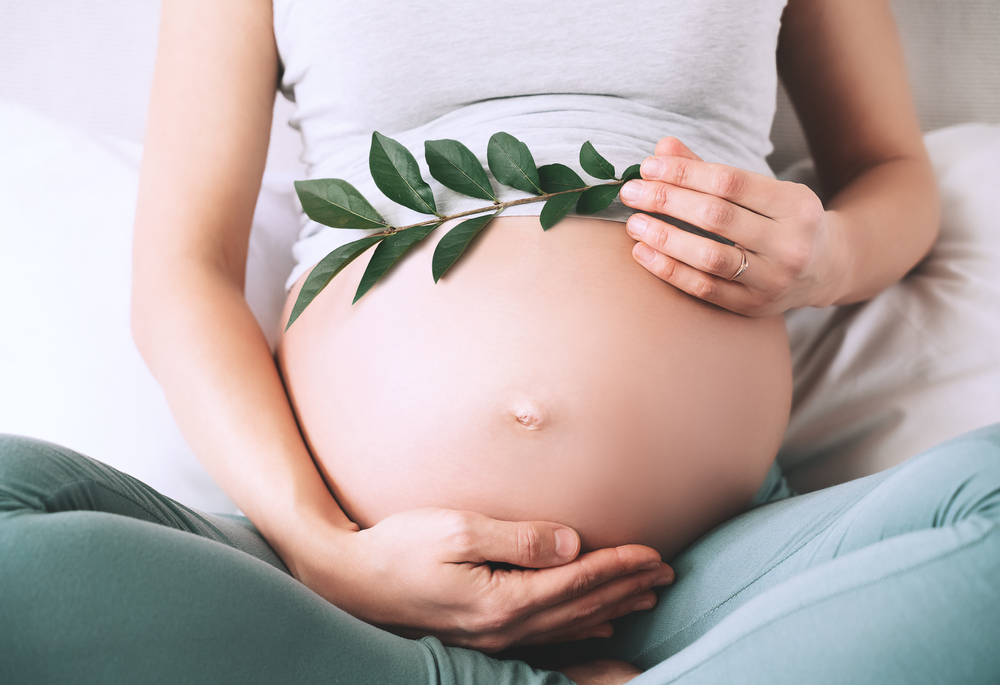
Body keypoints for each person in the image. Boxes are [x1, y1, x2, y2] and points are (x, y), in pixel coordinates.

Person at [2, 0, 998, 684]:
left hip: (707, 571)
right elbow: (183, 269)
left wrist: (826, 253)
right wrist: (324, 550)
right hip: (352, 592)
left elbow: (886, 170)